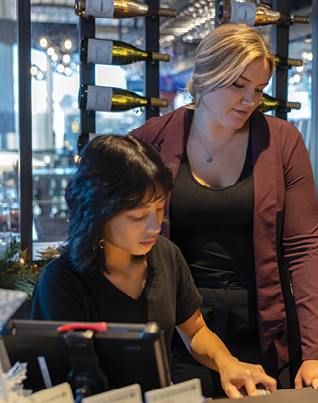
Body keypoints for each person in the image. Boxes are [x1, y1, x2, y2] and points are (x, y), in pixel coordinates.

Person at [130, 23, 318, 396]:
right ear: (204, 75)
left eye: (259, 89)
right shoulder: (151, 138)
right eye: (238, 85)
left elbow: (303, 248)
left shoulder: (281, 141)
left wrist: (317, 353)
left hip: (259, 322)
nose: (249, 100)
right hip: (177, 323)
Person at [30, 134, 277, 398]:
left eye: (159, 209)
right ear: (97, 212)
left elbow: (195, 331)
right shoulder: (61, 282)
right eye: (137, 216)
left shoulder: (166, 254)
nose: (154, 226)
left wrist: (227, 363)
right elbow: (58, 382)